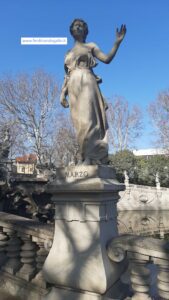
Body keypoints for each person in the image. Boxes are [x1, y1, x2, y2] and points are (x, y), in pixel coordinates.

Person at [60, 19, 126, 165]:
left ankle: (93, 157)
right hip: (73, 86)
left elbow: (107, 59)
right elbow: (67, 75)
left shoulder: (91, 46)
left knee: (88, 120)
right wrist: (62, 93)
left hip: (87, 81)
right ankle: (84, 157)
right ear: (71, 31)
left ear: (85, 31)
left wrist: (117, 43)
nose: (78, 28)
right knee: (79, 124)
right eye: (75, 26)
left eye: (81, 26)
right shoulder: (68, 52)